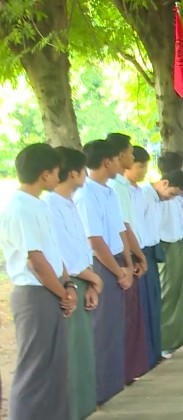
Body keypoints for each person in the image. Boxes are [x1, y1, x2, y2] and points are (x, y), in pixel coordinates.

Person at [0, 144, 74, 420]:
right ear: (45, 175)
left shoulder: (38, 205)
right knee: (34, 368)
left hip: (51, 290)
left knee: (55, 367)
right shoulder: (20, 208)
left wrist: (68, 285)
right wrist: (63, 293)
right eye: (56, 172)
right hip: (34, 294)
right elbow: (36, 261)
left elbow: (52, 252)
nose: (58, 177)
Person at [75, 139, 131, 404]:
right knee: (102, 329)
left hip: (118, 261)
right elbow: (95, 242)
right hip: (103, 265)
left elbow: (120, 230)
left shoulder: (109, 192)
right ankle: (100, 391)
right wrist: (118, 272)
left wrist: (128, 264)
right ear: (107, 161)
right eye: (118, 159)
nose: (122, 163)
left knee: (115, 328)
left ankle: (114, 385)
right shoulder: (86, 194)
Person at [46, 146, 100, 420]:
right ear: (73, 174)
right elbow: (62, 252)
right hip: (68, 282)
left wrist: (91, 280)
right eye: (83, 172)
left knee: (84, 351)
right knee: (72, 352)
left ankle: (85, 407)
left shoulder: (69, 202)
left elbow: (81, 244)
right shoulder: (50, 204)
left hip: (83, 279)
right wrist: (90, 277)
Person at [105, 134, 150, 383]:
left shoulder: (119, 187)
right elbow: (123, 227)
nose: (133, 157)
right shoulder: (116, 187)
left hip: (128, 252)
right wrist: (135, 257)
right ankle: (125, 371)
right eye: (131, 152)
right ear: (119, 156)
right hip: (121, 255)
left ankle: (130, 369)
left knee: (132, 315)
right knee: (124, 316)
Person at [124, 146, 159, 374]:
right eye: (139, 166)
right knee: (137, 310)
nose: (143, 170)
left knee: (150, 303)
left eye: (146, 166)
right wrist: (135, 255)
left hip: (145, 247)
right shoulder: (120, 190)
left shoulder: (141, 191)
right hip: (133, 253)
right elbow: (125, 226)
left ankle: (152, 354)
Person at [156, 152, 183, 355]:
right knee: (168, 293)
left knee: (180, 290)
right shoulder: (160, 194)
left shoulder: (176, 191)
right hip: (165, 244)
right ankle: (166, 340)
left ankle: (180, 334)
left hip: (177, 242)